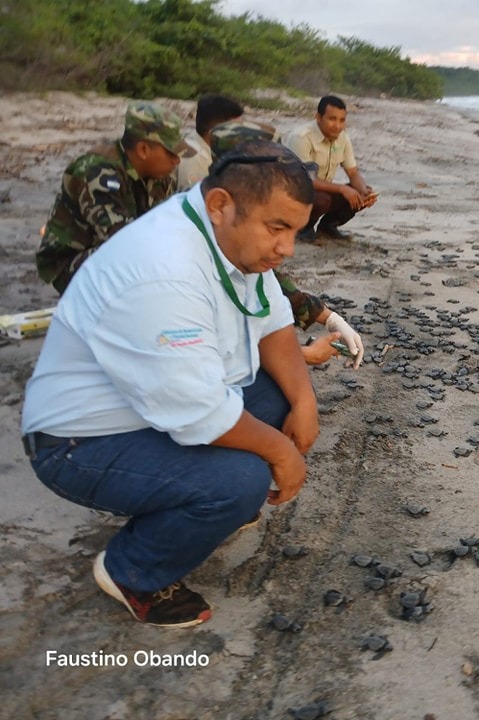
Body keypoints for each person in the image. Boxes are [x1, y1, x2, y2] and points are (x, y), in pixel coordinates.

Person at [21, 141, 319, 627]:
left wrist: (305, 401)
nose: (286, 248)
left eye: (295, 231)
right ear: (221, 205)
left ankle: (196, 504)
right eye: (277, 228)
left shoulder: (227, 237)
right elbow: (201, 413)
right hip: (76, 440)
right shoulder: (164, 270)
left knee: (278, 393)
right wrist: (282, 455)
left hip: (146, 405)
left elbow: (273, 323)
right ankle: (132, 571)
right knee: (241, 482)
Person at [208, 121, 365, 367]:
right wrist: (304, 354)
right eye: (277, 228)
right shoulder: (188, 255)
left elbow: (272, 285)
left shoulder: (241, 236)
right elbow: (218, 351)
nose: (287, 249)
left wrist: (330, 318)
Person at [36, 102, 186, 293]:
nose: (177, 160)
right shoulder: (97, 172)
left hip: (123, 249)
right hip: (71, 261)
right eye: (170, 153)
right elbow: (120, 240)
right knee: (137, 257)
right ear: (143, 150)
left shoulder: (161, 175)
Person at [285, 95, 378, 241]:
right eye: (332, 119)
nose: (337, 126)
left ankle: (328, 227)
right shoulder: (301, 137)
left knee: (358, 195)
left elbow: (353, 172)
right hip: (292, 194)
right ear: (318, 117)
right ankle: (302, 229)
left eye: (342, 120)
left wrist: (363, 190)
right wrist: (342, 189)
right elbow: (307, 180)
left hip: (321, 190)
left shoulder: (343, 138)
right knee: (323, 199)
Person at [177, 94, 244, 189]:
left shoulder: (194, 139)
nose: (240, 134)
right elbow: (198, 199)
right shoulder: (197, 158)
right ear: (215, 131)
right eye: (235, 129)